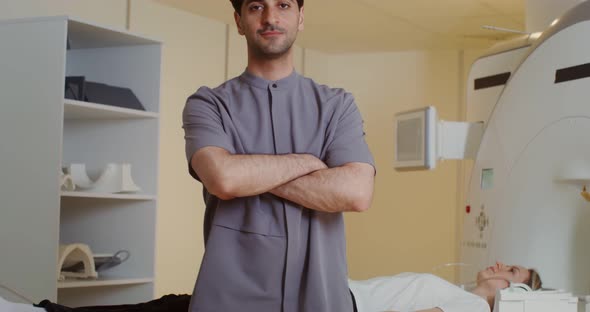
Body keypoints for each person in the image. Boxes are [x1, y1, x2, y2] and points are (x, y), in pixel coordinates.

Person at [181, 0, 376, 311]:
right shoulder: (208, 105)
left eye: (283, 5)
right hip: (229, 301)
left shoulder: (337, 106)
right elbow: (224, 179)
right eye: (256, 6)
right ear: (239, 20)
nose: (270, 17)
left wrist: (250, 171)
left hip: (321, 301)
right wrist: (309, 163)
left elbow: (357, 193)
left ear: (300, 17)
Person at [0, 262, 542, 312]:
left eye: (512, 271)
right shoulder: (456, 290)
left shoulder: (469, 309)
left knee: (182, 307)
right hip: (324, 296)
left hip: (329, 306)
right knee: (181, 306)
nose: (499, 264)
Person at [348, 261, 543, 312]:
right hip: (349, 296)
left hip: (351, 304)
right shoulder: (467, 299)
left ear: (516, 294)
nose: (501, 264)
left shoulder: (477, 307)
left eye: (511, 271)